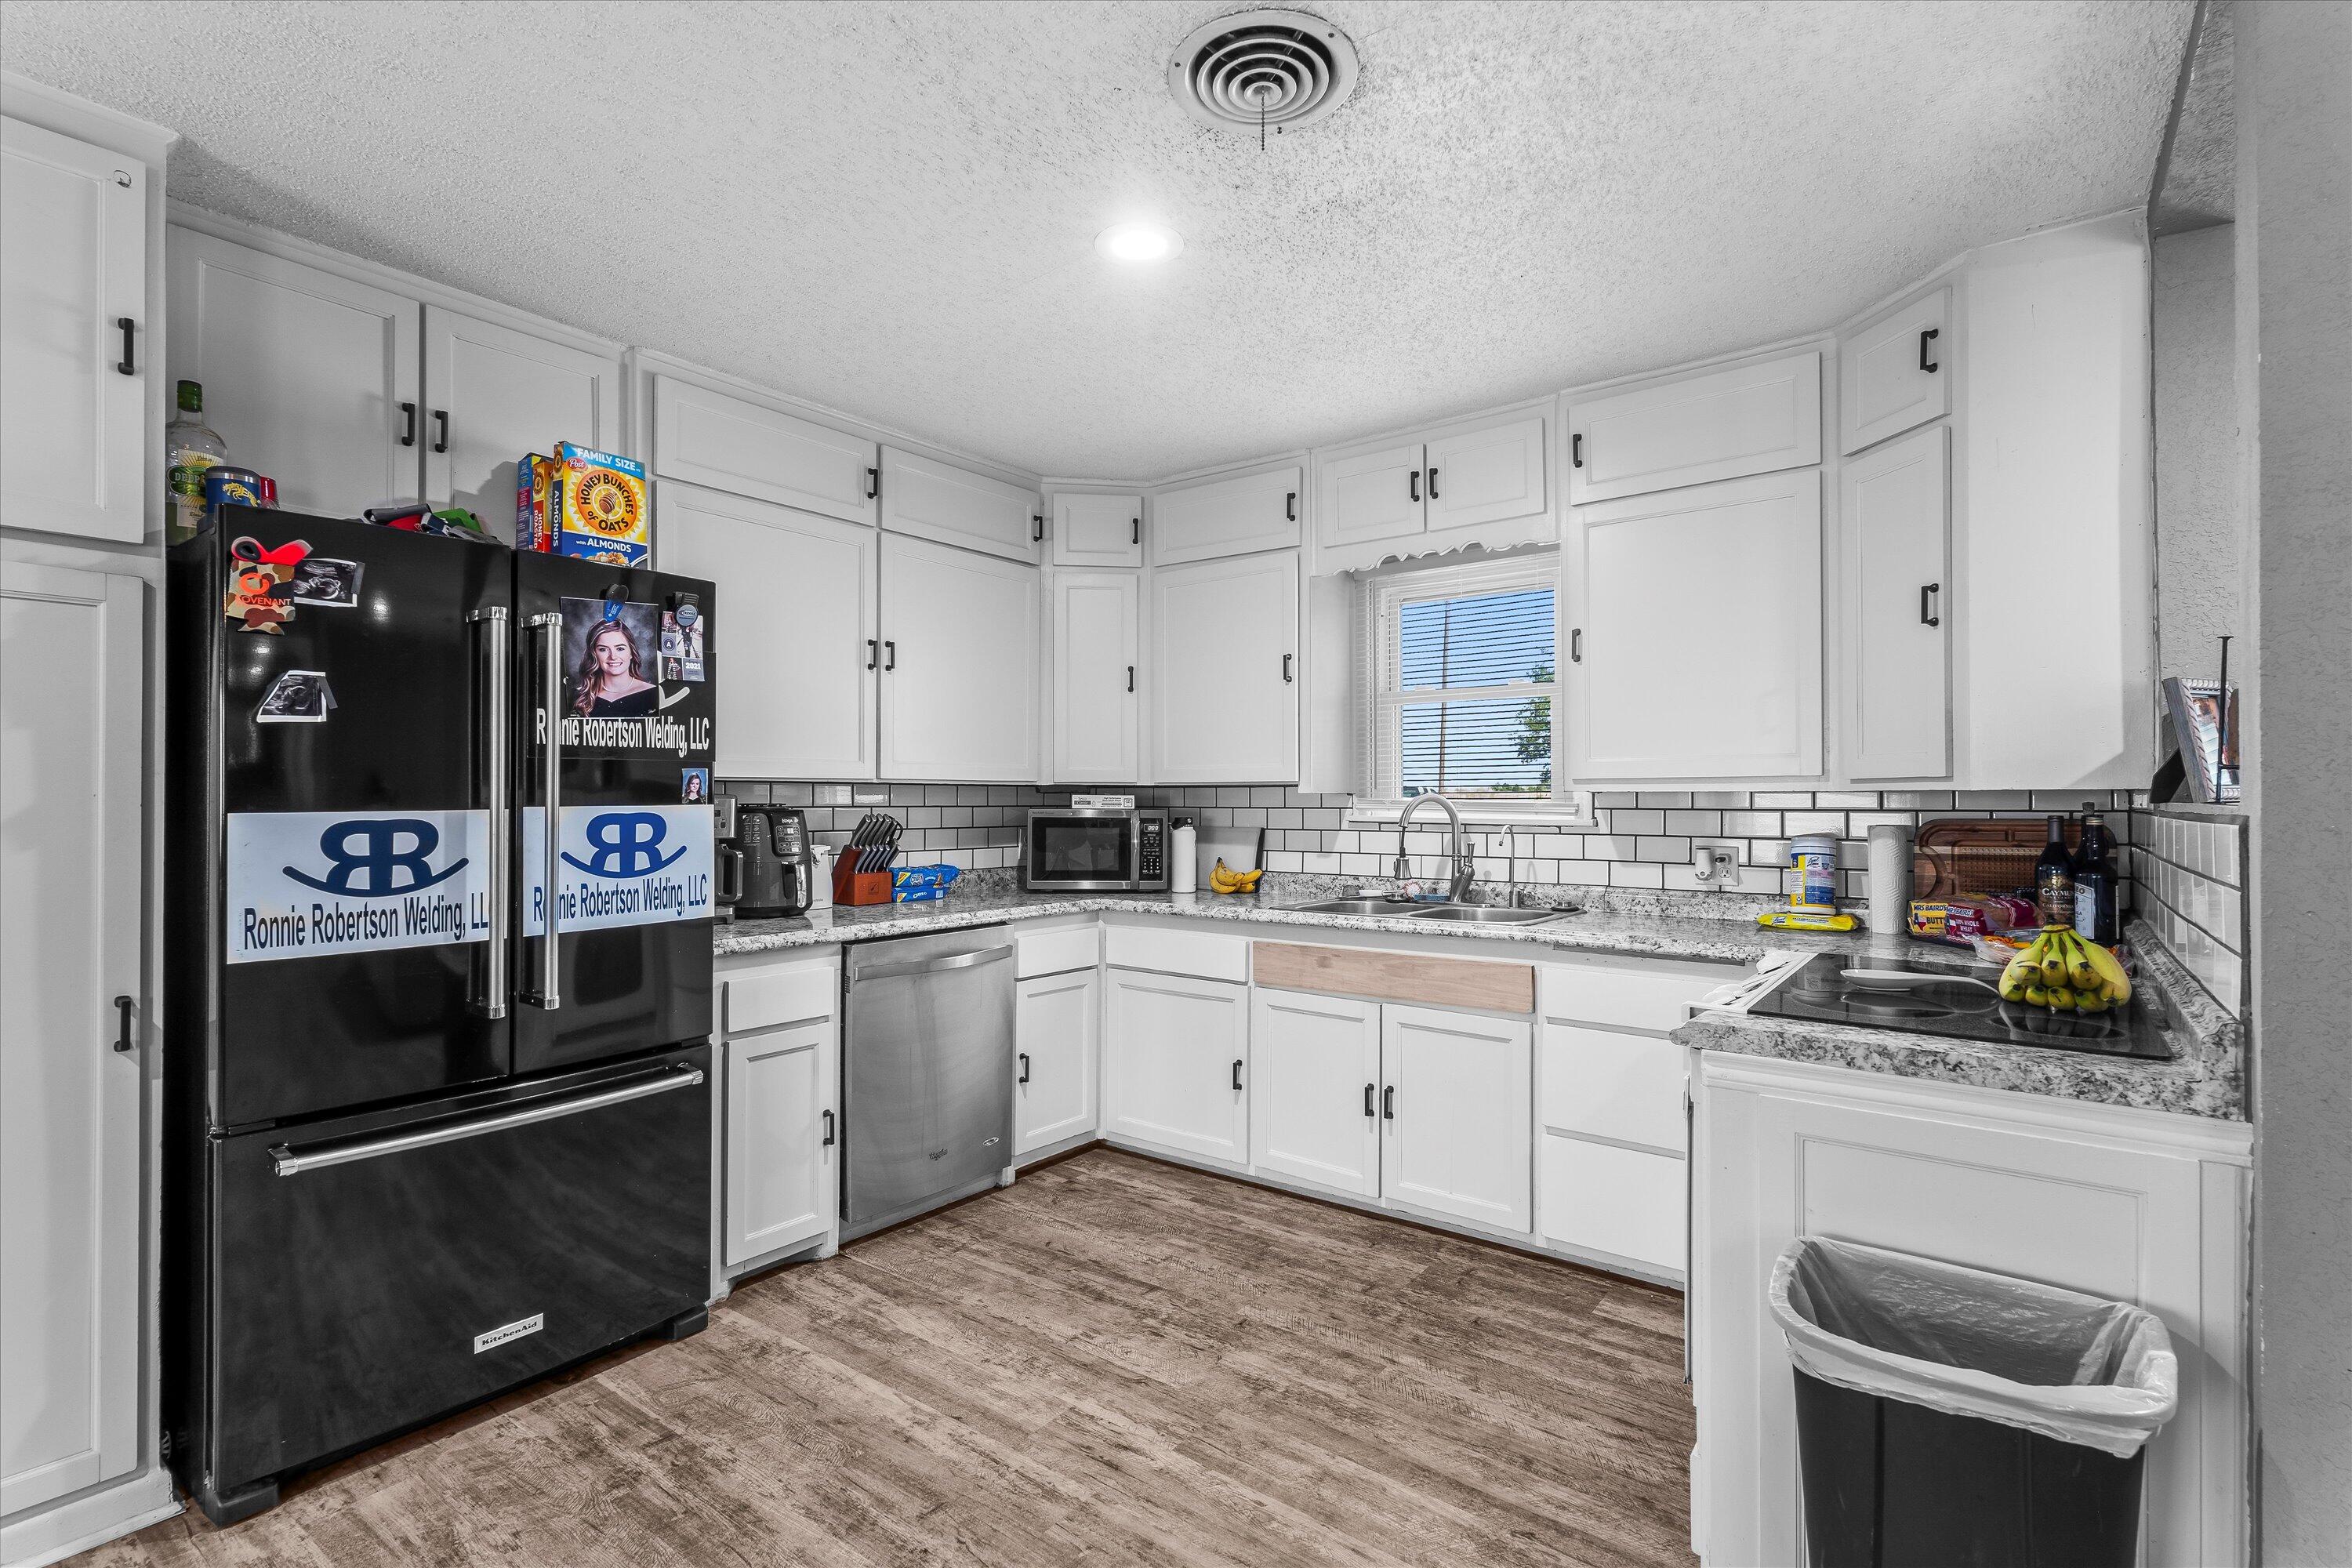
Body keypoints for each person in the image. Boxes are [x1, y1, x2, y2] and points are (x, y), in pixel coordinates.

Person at [572, 619, 657, 716]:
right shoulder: (578, 696)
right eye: (603, 649)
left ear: (631, 653)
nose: (613, 657)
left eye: (620, 649)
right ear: (594, 654)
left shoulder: (653, 694)